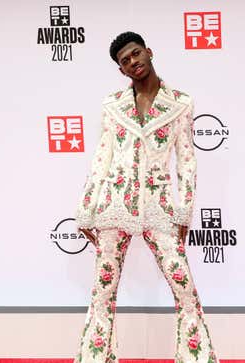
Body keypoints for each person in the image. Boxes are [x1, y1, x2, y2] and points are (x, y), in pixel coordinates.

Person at [73, 31, 218, 363]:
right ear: (121, 71)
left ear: (149, 52)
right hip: (113, 205)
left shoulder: (180, 103)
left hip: (160, 206)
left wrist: (184, 211)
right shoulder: (112, 106)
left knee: (185, 289)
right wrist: (86, 209)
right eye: (125, 61)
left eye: (136, 54)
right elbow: (102, 158)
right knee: (102, 293)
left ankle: (196, 358)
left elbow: (187, 159)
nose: (133, 62)